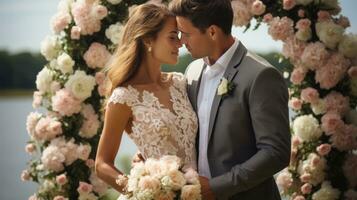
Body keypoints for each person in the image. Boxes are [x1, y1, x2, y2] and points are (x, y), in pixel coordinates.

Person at [168, 0, 291, 199]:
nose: (181, 41)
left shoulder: (261, 75)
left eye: (186, 33)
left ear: (212, 32)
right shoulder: (192, 71)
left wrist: (217, 187)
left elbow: (275, 152)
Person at [95, 3, 198, 194]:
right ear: (148, 40)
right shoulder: (123, 97)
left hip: (197, 193)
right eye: (172, 37)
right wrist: (139, 192)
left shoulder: (180, 83)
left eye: (180, 37)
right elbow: (102, 164)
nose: (180, 44)